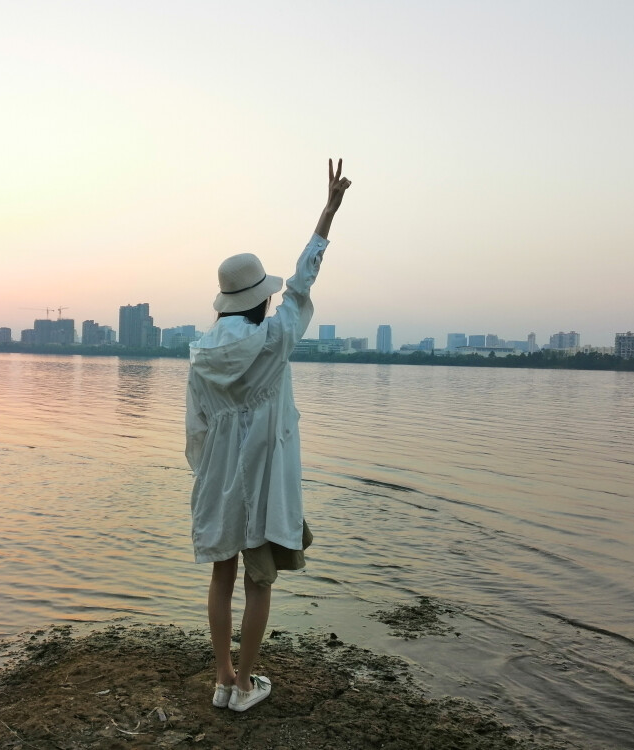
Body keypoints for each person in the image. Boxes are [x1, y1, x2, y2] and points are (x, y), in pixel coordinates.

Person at [185, 159, 352, 712]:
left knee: (221, 575)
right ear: (259, 298)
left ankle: (221, 676)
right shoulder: (273, 339)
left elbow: (197, 427)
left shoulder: (202, 353)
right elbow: (301, 287)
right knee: (260, 580)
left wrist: (210, 473)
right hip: (261, 476)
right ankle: (244, 685)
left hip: (218, 475)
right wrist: (325, 216)